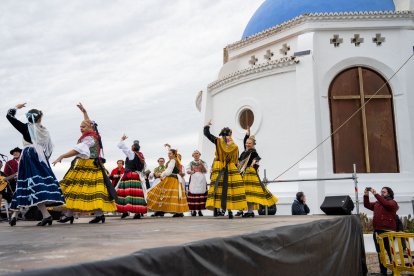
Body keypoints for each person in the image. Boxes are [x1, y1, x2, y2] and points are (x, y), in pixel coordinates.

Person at [52, 103, 116, 224]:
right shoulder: (92, 135)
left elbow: (76, 150)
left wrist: (62, 156)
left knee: (88, 191)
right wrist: (84, 112)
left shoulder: (90, 138)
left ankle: (97, 214)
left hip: (90, 165)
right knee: (76, 190)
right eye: (80, 127)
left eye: (83, 127)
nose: (81, 128)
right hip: (84, 165)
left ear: (90, 128)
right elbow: (88, 122)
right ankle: (72, 214)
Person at [6, 103, 65, 226]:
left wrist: (16, 107)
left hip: (28, 156)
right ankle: (16, 214)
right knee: (33, 184)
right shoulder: (43, 130)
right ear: (39, 118)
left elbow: (9, 116)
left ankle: (21, 214)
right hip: (40, 156)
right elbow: (48, 148)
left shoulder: (26, 128)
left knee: (27, 183)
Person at [203, 120, 247, 219]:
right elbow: (236, 160)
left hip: (219, 166)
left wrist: (207, 125)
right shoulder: (234, 146)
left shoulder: (218, 141)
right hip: (231, 167)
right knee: (230, 189)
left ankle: (220, 209)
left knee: (219, 188)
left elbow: (206, 134)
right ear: (230, 134)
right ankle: (230, 211)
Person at [237, 129, 277, 218]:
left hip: (250, 174)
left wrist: (254, 162)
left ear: (253, 144)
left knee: (249, 193)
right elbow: (240, 159)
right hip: (243, 173)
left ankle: (250, 211)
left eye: (249, 143)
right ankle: (246, 210)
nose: (247, 144)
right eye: (247, 143)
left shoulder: (253, 151)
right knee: (245, 193)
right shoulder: (245, 151)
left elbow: (257, 157)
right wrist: (247, 134)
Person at [364, 187, 399, 276]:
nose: (382, 193)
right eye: (381, 192)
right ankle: (383, 272)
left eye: (384, 192)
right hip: (377, 231)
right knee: (380, 252)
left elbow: (386, 204)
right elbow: (367, 205)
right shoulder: (377, 203)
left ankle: (395, 271)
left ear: (389, 194)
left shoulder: (392, 203)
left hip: (388, 231)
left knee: (389, 251)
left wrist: (375, 193)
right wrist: (366, 194)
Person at [146, 146, 189, 217]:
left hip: (171, 179)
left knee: (165, 194)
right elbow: (169, 169)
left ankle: (172, 211)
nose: (168, 155)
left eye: (170, 154)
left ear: (173, 154)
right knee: (166, 195)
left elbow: (169, 171)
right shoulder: (174, 160)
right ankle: (161, 210)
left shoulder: (173, 160)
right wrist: (169, 148)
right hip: (172, 179)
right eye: (168, 153)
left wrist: (161, 174)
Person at [115, 135, 147, 219]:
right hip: (137, 176)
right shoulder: (141, 156)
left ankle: (126, 211)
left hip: (130, 176)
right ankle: (137, 212)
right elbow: (143, 167)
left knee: (126, 194)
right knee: (136, 195)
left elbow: (121, 146)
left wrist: (122, 139)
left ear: (133, 147)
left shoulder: (131, 154)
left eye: (132, 146)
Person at [186, 150, 209, 216]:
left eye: (197, 153)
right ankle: (193, 210)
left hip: (201, 178)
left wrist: (202, 165)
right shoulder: (191, 163)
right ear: (193, 155)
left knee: (200, 194)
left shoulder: (203, 162)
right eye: (194, 154)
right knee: (193, 193)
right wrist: (190, 172)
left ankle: (199, 210)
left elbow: (205, 171)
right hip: (194, 178)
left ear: (199, 155)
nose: (196, 155)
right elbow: (187, 170)